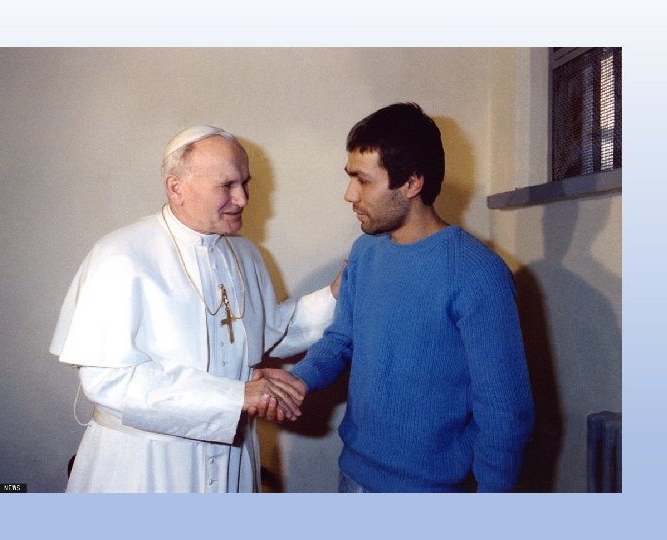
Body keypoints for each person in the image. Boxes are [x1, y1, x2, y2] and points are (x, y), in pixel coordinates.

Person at [49, 125, 338, 493]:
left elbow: (272, 332)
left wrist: (336, 294)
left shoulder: (245, 253)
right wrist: (236, 395)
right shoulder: (120, 255)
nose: (242, 199)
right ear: (176, 188)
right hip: (145, 465)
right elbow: (108, 381)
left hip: (233, 458)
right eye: (227, 185)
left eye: (244, 183)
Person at [265, 103, 535, 492]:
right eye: (350, 177)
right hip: (353, 475)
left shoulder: (477, 274)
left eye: (363, 180)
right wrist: (297, 381)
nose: (349, 194)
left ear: (411, 183)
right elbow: (340, 341)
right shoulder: (365, 252)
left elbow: (505, 414)